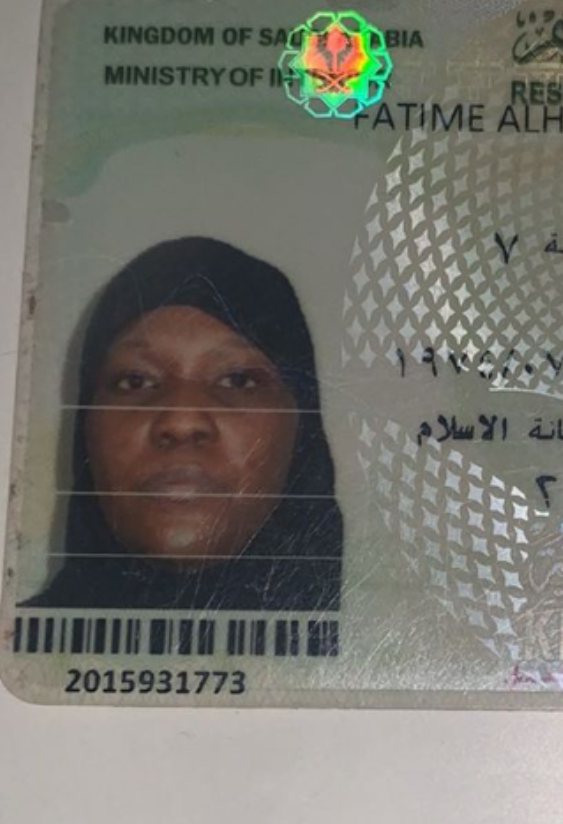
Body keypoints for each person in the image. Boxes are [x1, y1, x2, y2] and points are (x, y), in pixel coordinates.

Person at [24, 236, 343, 612]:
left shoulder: (374, 644)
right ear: (86, 427)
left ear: (301, 428)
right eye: (135, 381)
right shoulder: (11, 646)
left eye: (238, 380)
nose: (180, 421)